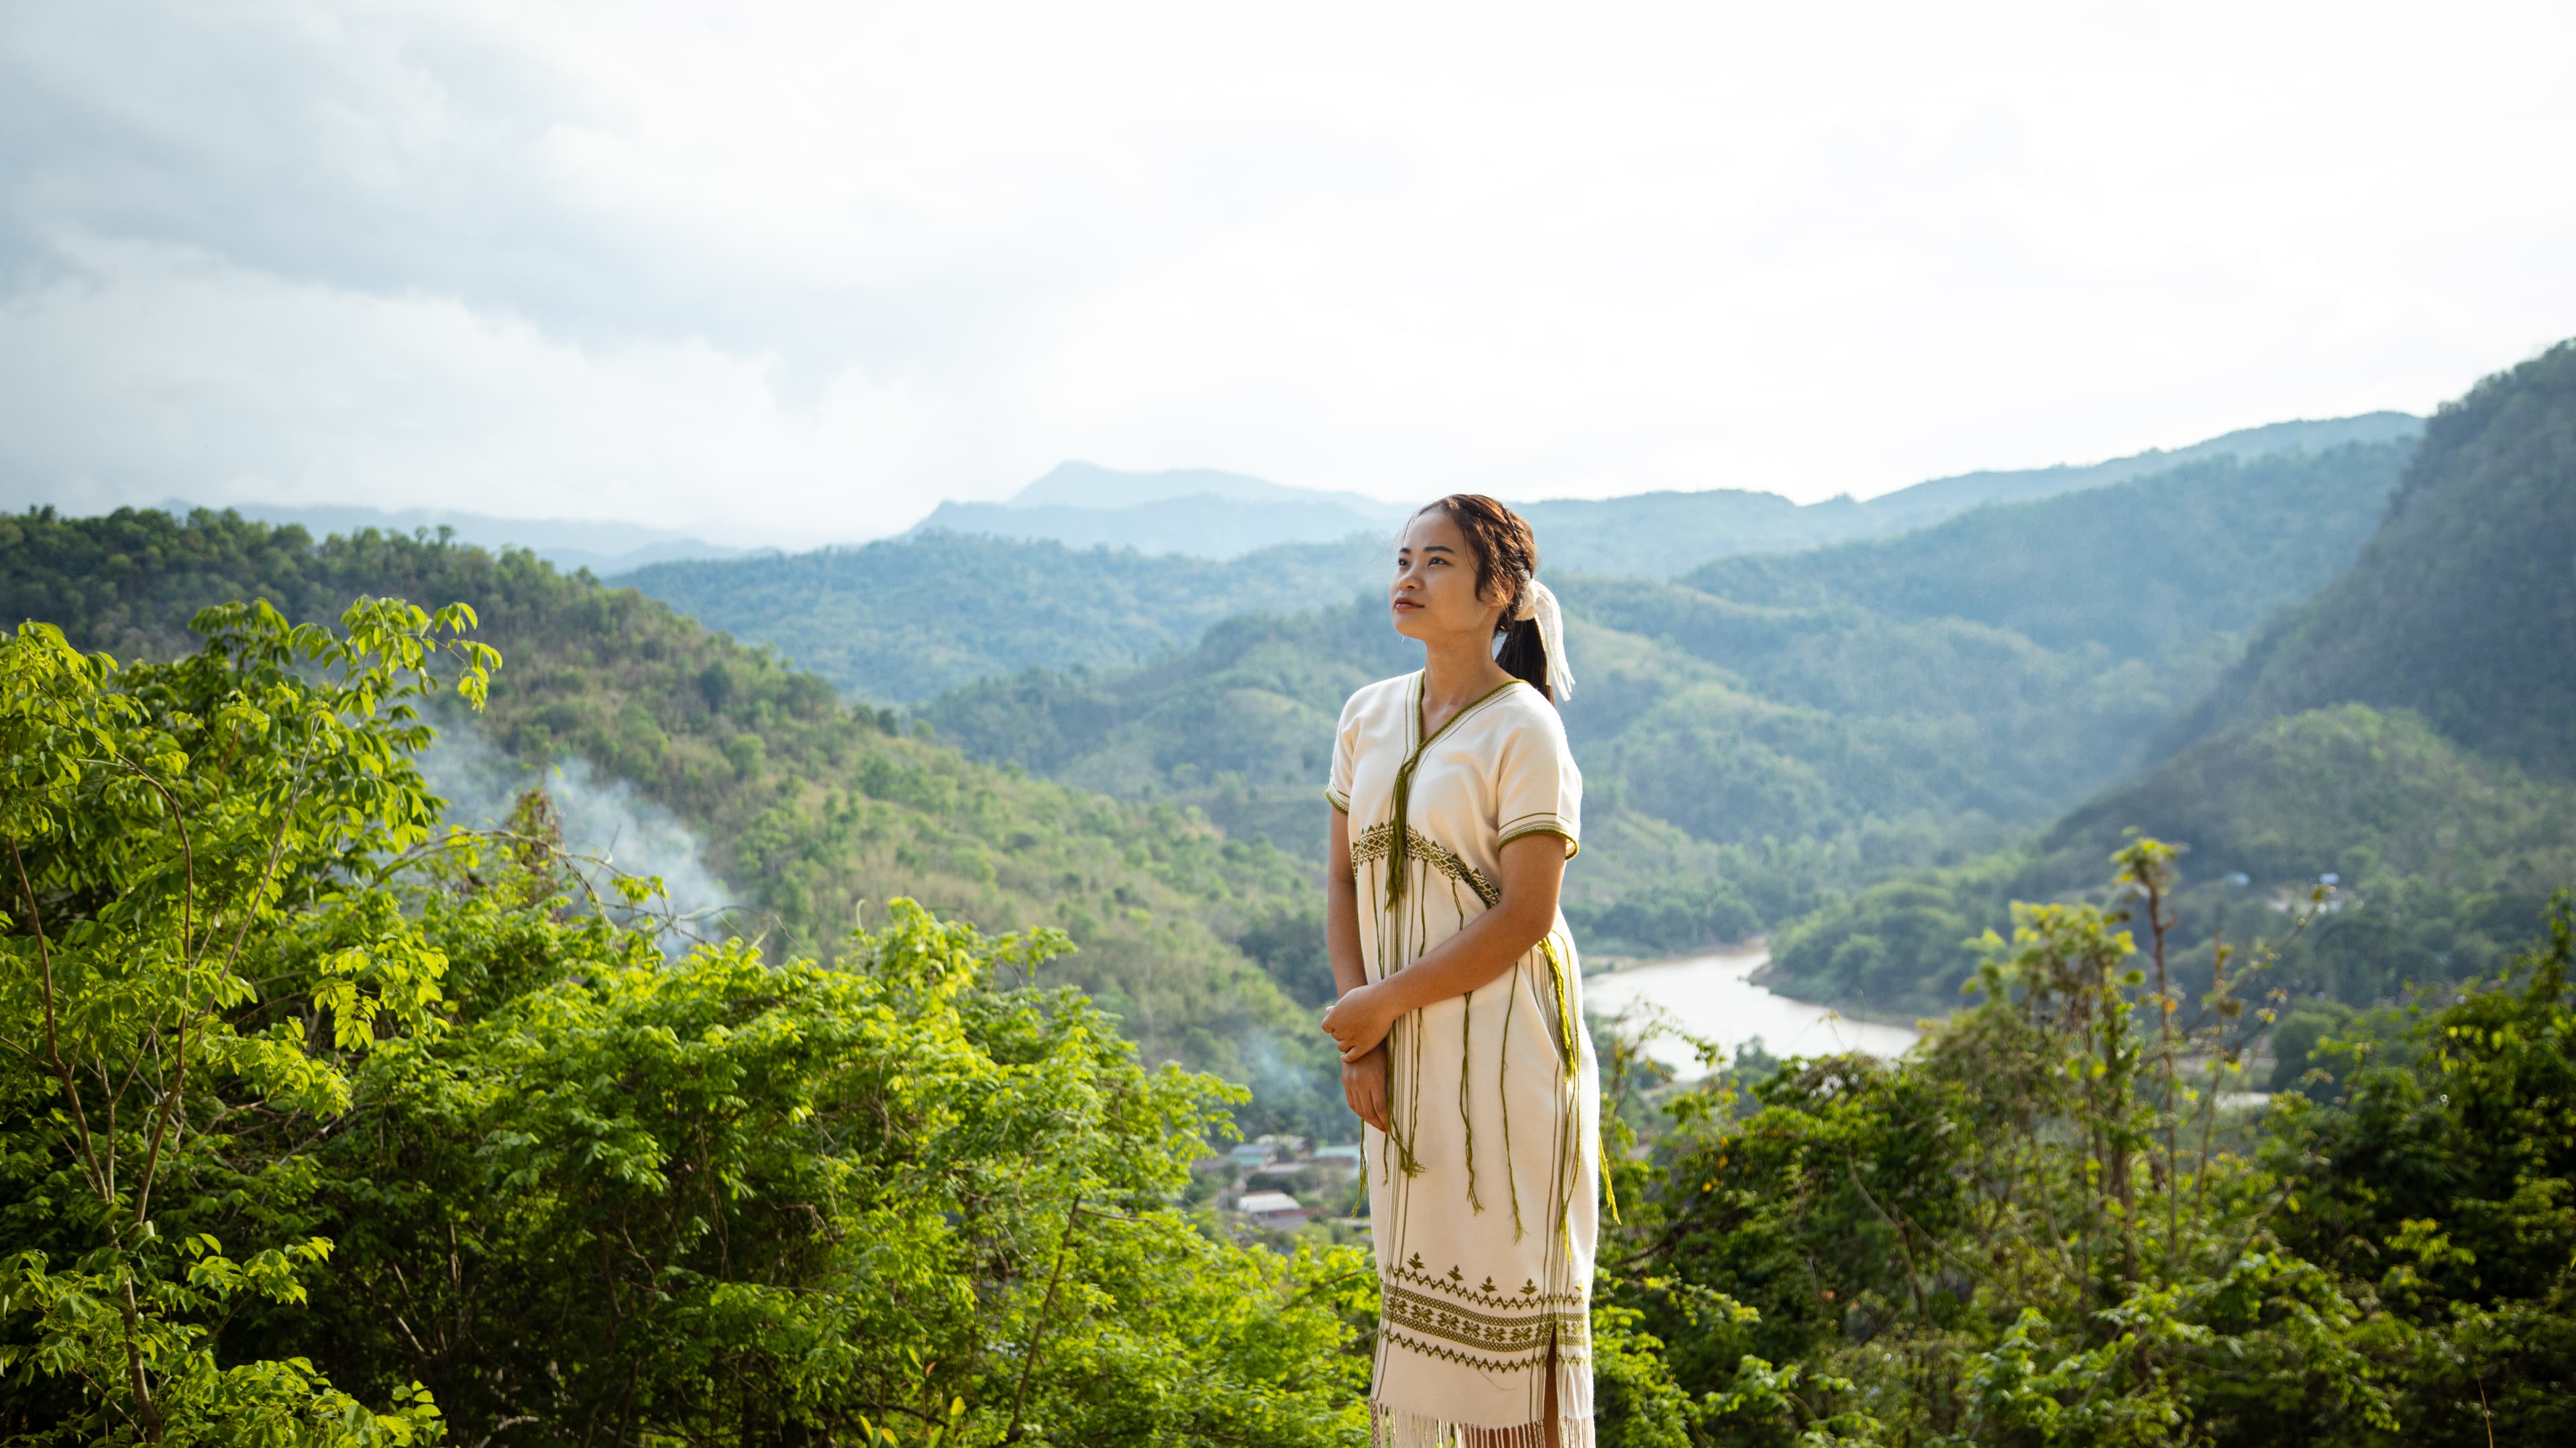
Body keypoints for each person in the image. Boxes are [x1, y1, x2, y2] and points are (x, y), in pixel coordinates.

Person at [1318, 495, 1599, 1448]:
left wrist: (1377, 1006)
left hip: (1509, 1055)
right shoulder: (1366, 714)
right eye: (1403, 557)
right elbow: (1342, 883)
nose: (1408, 576)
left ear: (1501, 591)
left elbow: (1526, 914)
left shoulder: (1525, 729)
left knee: (1514, 1325)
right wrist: (1365, 1032)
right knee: (1424, 1320)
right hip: (1403, 1053)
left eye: (1437, 561)